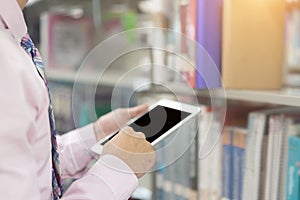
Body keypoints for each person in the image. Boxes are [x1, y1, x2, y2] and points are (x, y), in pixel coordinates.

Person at [0, 0, 156, 199]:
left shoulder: (10, 37)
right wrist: (116, 170)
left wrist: (94, 136)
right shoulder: (4, 60)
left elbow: (26, 164)